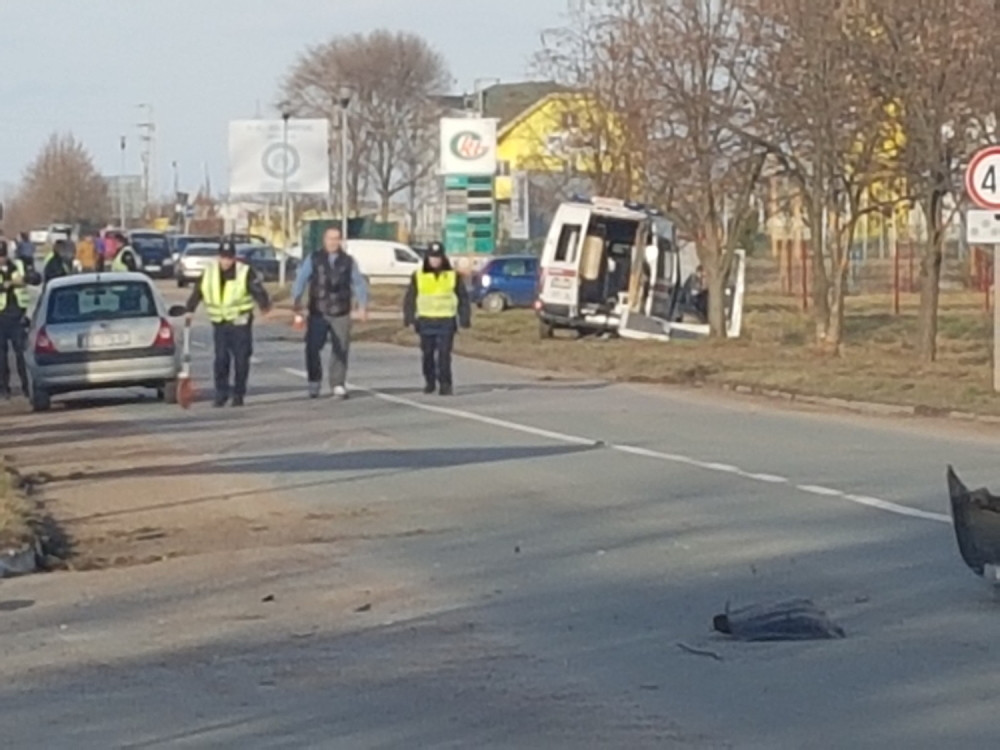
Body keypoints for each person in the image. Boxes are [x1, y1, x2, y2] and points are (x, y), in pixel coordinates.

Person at [186, 241, 270, 407]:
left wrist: (264, 306)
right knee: (221, 359)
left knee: (241, 359)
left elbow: (258, 290)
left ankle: (238, 394)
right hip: (220, 322)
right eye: (224, 258)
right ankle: (221, 393)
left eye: (229, 258)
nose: (226, 261)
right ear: (219, 257)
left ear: (234, 257)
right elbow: (198, 291)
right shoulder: (209, 272)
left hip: (240, 322)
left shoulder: (244, 272)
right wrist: (190, 309)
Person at [291, 226, 369, 400]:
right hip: (318, 310)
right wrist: (296, 300)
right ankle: (314, 382)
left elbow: (359, 283)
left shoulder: (348, 261)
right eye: (330, 238)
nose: (333, 242)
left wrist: (362, 306)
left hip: (341, 311)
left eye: (336, 239)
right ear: (324, 240)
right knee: (312, 348)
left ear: (340, 241)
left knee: (340, 349)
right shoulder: (314, 258)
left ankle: (338, 384)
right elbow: (301, 280)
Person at [402, 242, 471, 396]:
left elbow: (463, 297)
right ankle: (430, 381)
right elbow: (410, 297)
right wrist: (409, 316)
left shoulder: (452, 275)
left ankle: (446, 384)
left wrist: (465, 317)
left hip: (446, 320)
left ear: (443, 258)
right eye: (432, 257)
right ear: (427, 258)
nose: (435, 261)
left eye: (438, 257)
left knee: (444, 355)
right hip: (425, 320)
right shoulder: (418, 275)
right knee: (427, 354)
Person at [0, 242, 41, 399]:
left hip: (18, 316)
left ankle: (26, 387)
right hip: (1, 317)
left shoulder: (19, 265)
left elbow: (36, 278)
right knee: (1, 356)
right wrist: (7, 284)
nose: (1, 259)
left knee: (21, 355)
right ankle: (4, 388)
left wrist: (25, 278)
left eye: (3, 256)